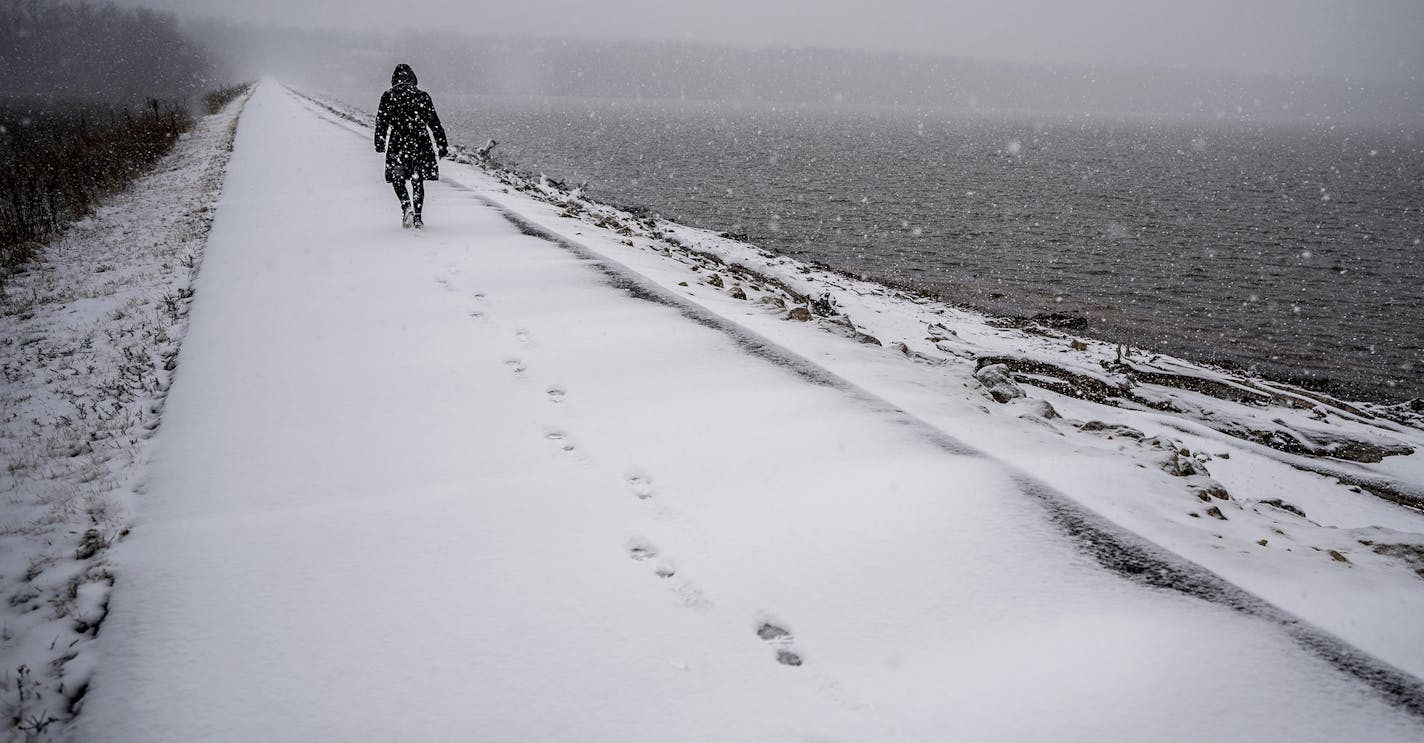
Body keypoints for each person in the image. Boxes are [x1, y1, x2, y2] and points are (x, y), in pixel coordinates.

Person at [374, 63, 448, 229]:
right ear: (413, 78)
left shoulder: (388, 95)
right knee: (417, 179)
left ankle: (406, 205)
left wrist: (379, 142)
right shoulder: (422, 96)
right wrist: (442, 144)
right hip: (419, 142)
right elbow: (434, 122)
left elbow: (381, 122)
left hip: (397, 142)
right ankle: (418, 217)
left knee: (397, 177)